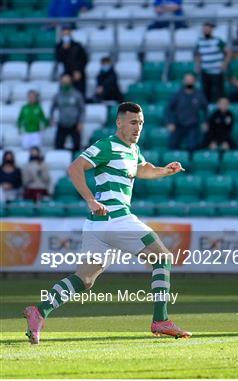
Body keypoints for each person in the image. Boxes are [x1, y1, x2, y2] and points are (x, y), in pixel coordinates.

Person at [23, 102, 191, 345]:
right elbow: (74, 168)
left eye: (141, 123)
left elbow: (142, 170)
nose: (138, 127)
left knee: (85, 279)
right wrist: (90, 199)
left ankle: (39, 311)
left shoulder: (133, 150)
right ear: (119, 122)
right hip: (115, 217)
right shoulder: (106, 145)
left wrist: (165, 171)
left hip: (98, 225)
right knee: (162, 258)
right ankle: (160, 319)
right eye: (133, 122)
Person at [166, 73, 208, 151]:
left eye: (191, 80)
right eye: (187, 80)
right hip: (179, 124)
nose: (189, 82)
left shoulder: (199, 94)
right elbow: (169, 108)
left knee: (192, 146)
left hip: (193, 125)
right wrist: (170, 122)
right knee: (172, 145)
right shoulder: (178, 94)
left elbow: (205, 108)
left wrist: (205, 122)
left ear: (194, 81)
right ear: (183, 81)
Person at [194, 22, 231, 103]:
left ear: (211, 30)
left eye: (207, 29)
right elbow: (197, 54)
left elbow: (228, 52)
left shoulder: (217, 41)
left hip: (217, 72)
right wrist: (198, 64)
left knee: (219, 93)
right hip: (205, 72)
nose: (206, 31)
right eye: (204, 29)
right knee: (206, 93)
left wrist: (225, 64)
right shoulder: (199, 41)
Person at [50, 73, 86, 152]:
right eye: (64, 82)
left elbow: (82, 109)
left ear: (71, 82)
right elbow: (52, 108)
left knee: (77, 147)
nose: (65, 84)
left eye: (67, 82)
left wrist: (81, 122)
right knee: (58, 146)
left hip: (74, 124)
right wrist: (51, 118)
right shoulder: (58, 95)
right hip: (62, 124)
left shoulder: (76, 94)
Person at [55, 26, 88, 98]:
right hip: (66, 72)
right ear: (61, 35)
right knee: (64, 80)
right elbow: (58, 59)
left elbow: (84, 60)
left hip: (78, 71)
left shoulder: (78, 45)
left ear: (71, 34)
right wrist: (63, 50)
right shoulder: (59, 46)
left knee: (79, 81)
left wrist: (78, 70)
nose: (66, 36)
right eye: (64, 35)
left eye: (67, 34)